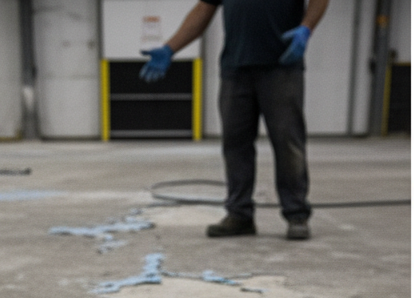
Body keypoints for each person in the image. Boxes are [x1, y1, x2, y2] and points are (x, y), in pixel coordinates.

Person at [139, 0, 330, 241]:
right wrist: (170, 48)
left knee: (288, 143)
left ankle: (296, 215)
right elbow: (203, 9)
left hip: (281, 67)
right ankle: (239, 215)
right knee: (235, 145)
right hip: (235, 69)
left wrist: (306, 28)